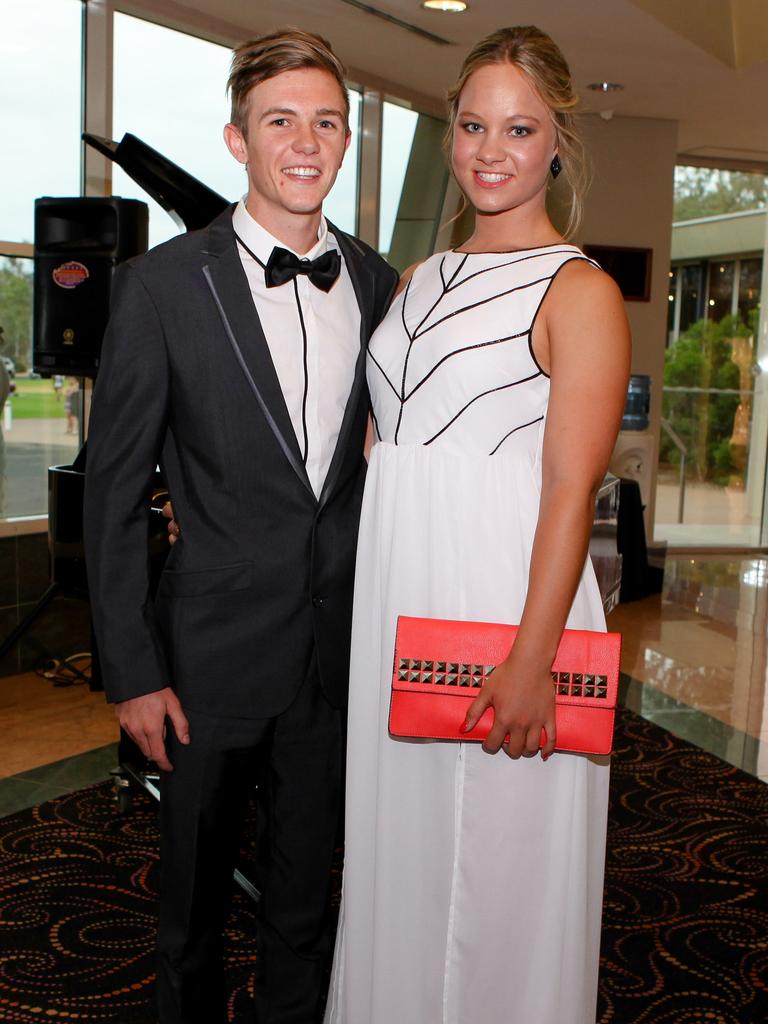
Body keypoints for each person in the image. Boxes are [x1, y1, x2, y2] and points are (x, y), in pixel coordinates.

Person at [83, 29, 397, 1024]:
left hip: (332, 659)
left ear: (345, 141)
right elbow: (115, 492)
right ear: (237, 139)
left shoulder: (381, 284)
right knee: (192, 911)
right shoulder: (161, 287)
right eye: (280, 121)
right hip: (206, 661)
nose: (305, 142)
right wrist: (132, 670)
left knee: (308, 902)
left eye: (325, 122)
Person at [324, 25, 631, 1024]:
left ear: (556, 146)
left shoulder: (576, 289)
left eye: (519, 128)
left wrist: (533, 655)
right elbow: (390, 445)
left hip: (504, 604)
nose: (489, 149)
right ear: (450, 131)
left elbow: (567, 492)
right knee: (404, 854)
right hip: (401, 597)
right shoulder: (418, 279)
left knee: (492, 878)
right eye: (471, 124)